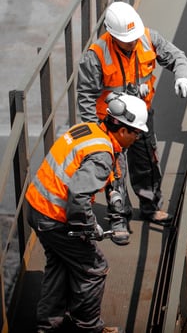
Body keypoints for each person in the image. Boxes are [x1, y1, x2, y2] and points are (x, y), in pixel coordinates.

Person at [25, 93, 148, 333]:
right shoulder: (102, 154)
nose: (137, 138)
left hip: (38, 206)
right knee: (94, 268)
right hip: (53, 217)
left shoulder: (89, 129)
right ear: (122, 130)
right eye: (136, 133)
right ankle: (89, 328)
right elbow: (79, 196)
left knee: (59, 265)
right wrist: (90, 227)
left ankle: (47, 326)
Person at [77, 1, 187, 245]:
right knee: (114, 170)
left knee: (147, 162)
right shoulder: (97, 55)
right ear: (112, 34)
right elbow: (86, 96)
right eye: (126, 39)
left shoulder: (148, 38)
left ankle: (151, 207)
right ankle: (119, 218)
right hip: (110, 125)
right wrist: (94, 134)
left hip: (141, 118)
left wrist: (182, 77)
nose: (132, 42)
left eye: (134, 37)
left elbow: (177, 57)